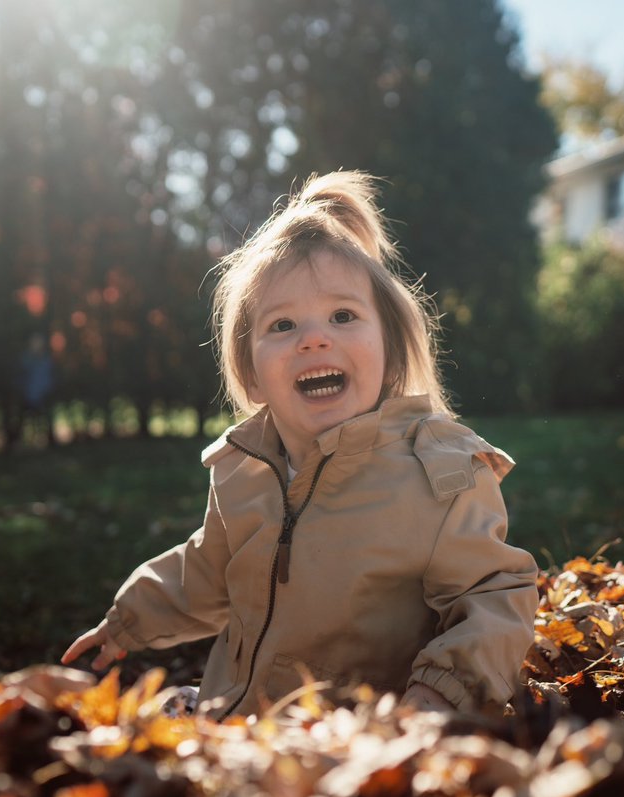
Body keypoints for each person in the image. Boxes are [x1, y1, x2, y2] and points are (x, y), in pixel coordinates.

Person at [61, 171, 539, 718]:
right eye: (283, 325)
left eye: (343, 316)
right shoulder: (245, 470)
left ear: (390, 349)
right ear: (252, 374)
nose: (315, 338)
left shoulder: (438, 472)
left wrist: (438, 694)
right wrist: (128, 620)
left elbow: (494, 595)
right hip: (244, 720)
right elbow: (206, 570)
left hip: (362, 739)